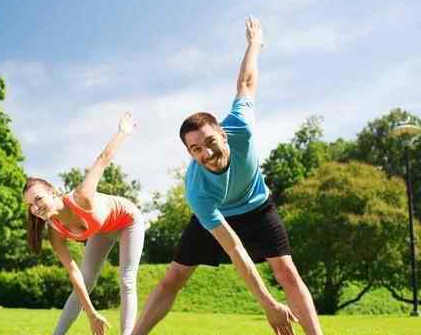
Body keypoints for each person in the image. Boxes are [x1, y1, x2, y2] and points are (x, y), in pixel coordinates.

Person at [131, 18, 324, 335]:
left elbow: (246, 84)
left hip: (258, 207)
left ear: (223, 133)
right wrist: (268, 305)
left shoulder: (241, 129)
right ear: (189, 153)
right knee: (174, 276)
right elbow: (235, 250)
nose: (206, 153)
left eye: (210, 142)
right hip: (220, 214)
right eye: (195, 149)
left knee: (286, 271)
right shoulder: (197, 191)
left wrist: (254, 45)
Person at [23, 112, 144, 335]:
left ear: (52, 191)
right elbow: (74, 273)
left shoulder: (81, 196)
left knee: (126, 280)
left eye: (38, 198)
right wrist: (91, 314)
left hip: (128, 221)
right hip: (102, 230)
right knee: (85, 281)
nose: (36, 207)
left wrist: (123, 131)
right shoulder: (55, 230)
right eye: (31, 204)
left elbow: (103, 159)